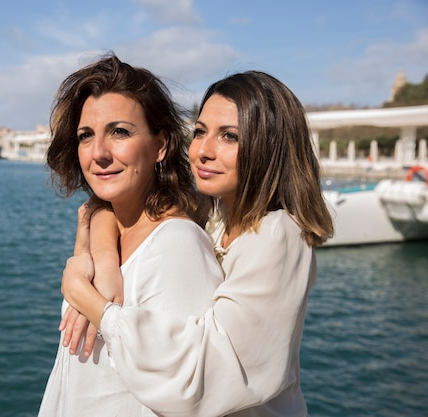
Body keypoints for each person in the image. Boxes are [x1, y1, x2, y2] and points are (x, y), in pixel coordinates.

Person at [60, 70, 335, 416]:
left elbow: (203, 374)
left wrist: (87, 299)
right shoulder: (214, 213)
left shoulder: (278, 235)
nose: (203, 151)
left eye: (229, 137)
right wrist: (99, 255)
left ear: (269, 147)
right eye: (201, 132)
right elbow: (105, 206)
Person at [38, 53, 224, 416]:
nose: (99, 153)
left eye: (119, 132)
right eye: (85, 136)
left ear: (161, 146)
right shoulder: (102, 225)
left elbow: (187, 391)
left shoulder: (176, 245)